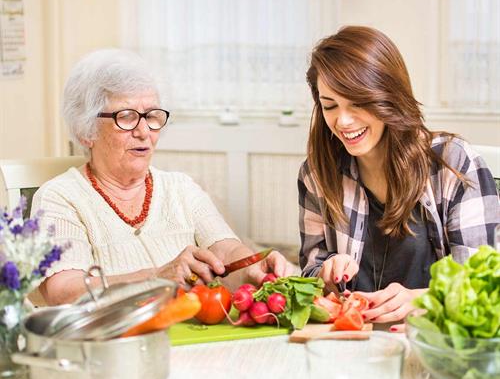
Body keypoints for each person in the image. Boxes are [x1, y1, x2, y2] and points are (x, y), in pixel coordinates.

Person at [32, 48, 290, 306]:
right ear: (85, 130)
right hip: (116, 342)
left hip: (191, 335)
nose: (144, 131)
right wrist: (155, 278)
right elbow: (63, 291)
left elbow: (226, 250)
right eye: (127, 117)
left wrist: (253, 268)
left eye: (152, 116)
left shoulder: (181, 188)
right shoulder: (60, 197)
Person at [298, 26, 500, 331]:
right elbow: (310, 271)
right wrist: (325, 272)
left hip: (433, 343)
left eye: (357, 102)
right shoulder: (316, 173)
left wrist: (425, 300)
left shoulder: (454, 163)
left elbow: (484, 286)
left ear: (387, 96)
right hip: (351, 340)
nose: (343, 120)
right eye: (330, 106)